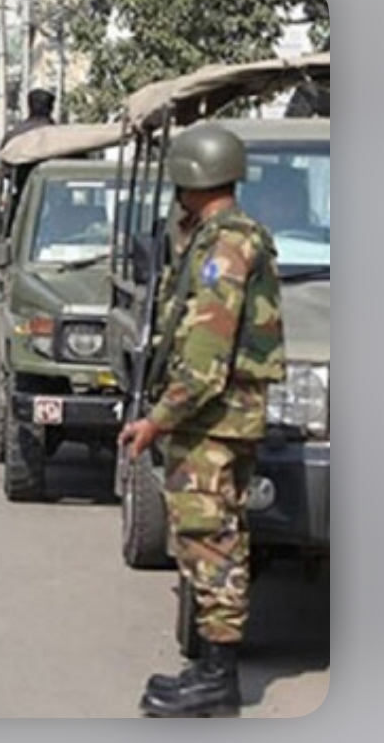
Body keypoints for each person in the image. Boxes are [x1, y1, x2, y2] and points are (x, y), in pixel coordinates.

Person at [118, 124, 285, 719]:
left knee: (210, 543)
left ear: (191, 177)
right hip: (222, 420)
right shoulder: (222, 236)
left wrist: (157, 420)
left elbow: (205, 358)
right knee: (218, 539)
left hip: (211, 422)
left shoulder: (225, 247)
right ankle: (213, 670)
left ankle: (218, 680)